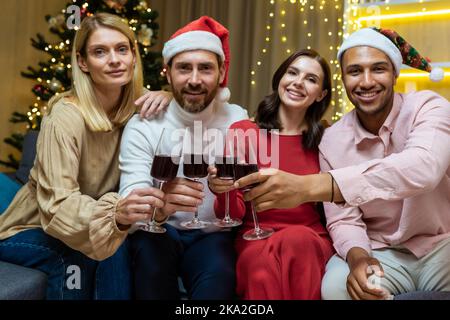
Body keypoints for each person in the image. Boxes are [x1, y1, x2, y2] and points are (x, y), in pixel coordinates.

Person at [235, 27, 450, 300]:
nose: (367, 81)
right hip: (379, 251)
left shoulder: (428, 107)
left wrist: (313, 186)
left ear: (395, 73)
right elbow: (343, 219)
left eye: (379, 69)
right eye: (355, 71)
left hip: (442, 244)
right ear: (344, 78)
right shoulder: (332, 139)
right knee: (335, 288)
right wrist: (358, 257)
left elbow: (423, 167)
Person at [0, 13, 166, 299]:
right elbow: (57, 206)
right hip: (30, 227)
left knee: (116, 243)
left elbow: (192, 104)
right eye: (100, 52)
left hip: (89, 219)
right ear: (82, 62)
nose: (114, 59)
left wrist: (169, 97)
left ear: (134, 55)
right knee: (75, 257)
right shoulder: (64, 117)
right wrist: (115, 215)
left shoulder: (141, 107)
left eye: (122, 49)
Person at [118, 16, 248, 300]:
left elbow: (245, 189)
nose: (194, 80)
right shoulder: (144, 124)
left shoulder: (238, 119)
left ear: (221, 71)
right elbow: (130, 198)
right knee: (149, 260)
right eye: (183, 69)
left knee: (220, 280)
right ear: (167, 73)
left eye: (205, 69)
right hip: (158, 230)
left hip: (213, 235)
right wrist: (161, 205)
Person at [208, 49, 335, 300]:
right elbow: (233, 213)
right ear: (280, 79)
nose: (298, 82)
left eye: (311, 79)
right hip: (255, 236)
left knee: (297, 239)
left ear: (321, 94)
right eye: (293, 73)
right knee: (260, 272)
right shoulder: (244, 131)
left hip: (309, 238)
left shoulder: (328, 138)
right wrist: (222, 190)